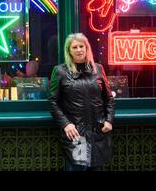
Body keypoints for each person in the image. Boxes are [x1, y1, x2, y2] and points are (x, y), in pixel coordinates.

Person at [49, 33, 115, 171]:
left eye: (81, 46)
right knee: (78, 168)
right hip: (76, 135)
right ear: (69, 51)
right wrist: (65, 124)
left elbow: (108, 98)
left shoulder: (98, 69)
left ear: (86, 48)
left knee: (95, 168)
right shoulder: (60, 71)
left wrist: (109, 120)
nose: (79, 50)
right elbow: (53, 102)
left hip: (98, 131)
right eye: (75, 47)